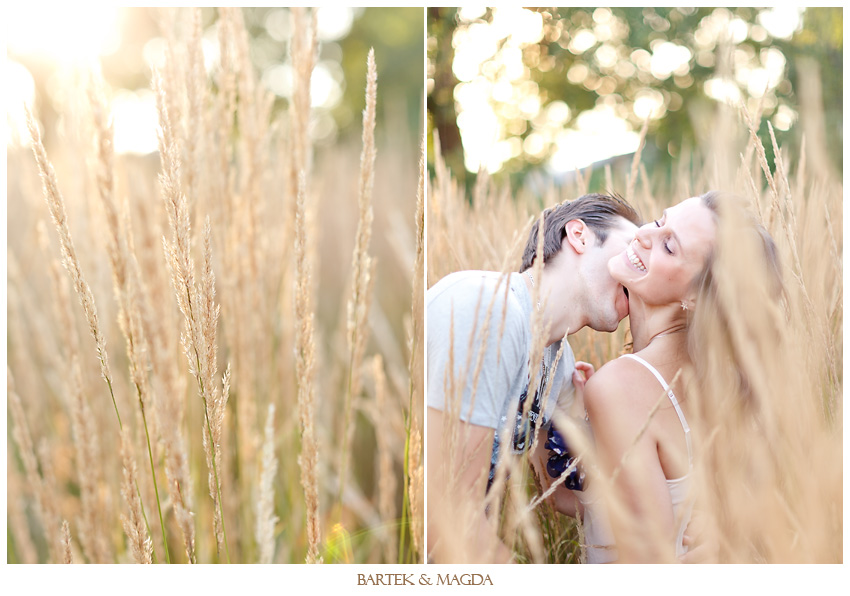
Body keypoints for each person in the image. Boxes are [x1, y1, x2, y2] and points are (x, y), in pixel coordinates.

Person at [426, 193, 642, 563]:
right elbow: (445, 515)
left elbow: (558, 495)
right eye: (631, 248)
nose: (637, 272)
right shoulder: (489, 310)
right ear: (579, 235)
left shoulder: (558, 359)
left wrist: (672, 524)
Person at [571, 191, 781, 563]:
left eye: (669, 247)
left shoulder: (622, 385)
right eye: (659, 221)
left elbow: (647, 563)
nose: (643, 236)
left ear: (698, 296)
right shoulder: (716, 382)